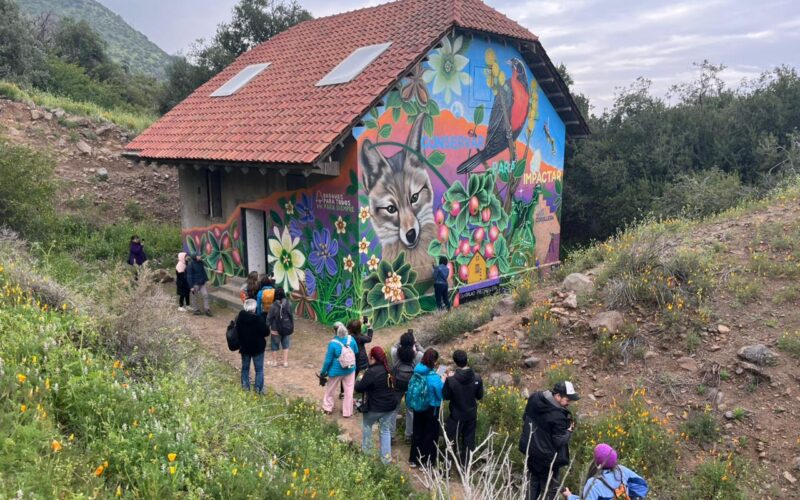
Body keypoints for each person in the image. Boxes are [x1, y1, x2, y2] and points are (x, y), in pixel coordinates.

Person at [520, 380, 580, 500]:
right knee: (549, 491)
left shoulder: (534, 399)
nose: (569, 403)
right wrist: (569, 430)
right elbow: (559, 442)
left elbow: (524, 418)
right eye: (567, 400)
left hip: (530, 453)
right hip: (548, 461)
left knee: (531, 486)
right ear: (558, 396)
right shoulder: (558, 417)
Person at [354, 346, 398, 464]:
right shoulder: (389, 369)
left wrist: (359, 377)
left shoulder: (371, 372)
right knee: (385, 430)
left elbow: (358, 388)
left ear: (373, 358)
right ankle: (386, 459)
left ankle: (366, 453)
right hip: (389, 406)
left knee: (367, 425)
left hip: (375, 407)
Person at [562, 443, 649, 499]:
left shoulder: (593, 483)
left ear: (596, 462)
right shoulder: (622, 470)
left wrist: (570, 496)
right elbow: (642, 487)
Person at [442, 350, 484, 465]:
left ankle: (447, 469)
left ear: (455, 362)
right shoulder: (477, 378)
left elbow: (445, 396)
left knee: (450, 441)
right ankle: (466, 469)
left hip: (456, 415)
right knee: (469, 441)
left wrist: (447, 379)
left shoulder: (452, 380)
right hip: (471, 415)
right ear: (467, 360)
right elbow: (479, 396)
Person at [408, 348, 444, 468]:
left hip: (418, 406)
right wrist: (443, 381)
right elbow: (440, 395)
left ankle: (414, 459)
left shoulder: (417, 370)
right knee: (430, 434)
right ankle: (427, 462)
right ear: (434, 361)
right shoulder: (433, 377)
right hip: (431, 408)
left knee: (417, 431)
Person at [390, 330, 424, 443]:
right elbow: (423, 352)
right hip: (411, 385)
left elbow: (393, 347)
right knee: (410, 410)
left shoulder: (395, 354)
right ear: (412, 343)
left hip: (398, 383)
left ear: (401, 342)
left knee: (394, 409)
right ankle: (408, 436)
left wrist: (400, 339)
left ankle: (391, 435)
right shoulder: (417, 356)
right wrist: (416, 342)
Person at [319, 322, 359, 417]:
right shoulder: (351, 339)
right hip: (350, 369)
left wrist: (323, 372)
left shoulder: (333, 343)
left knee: (330, 389)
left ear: (335, 331)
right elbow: (356, 351)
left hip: (336, 370)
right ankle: (347, 412)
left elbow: (328, 361)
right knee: (349, 391)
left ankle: (327, 408)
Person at [237, 299, 269, 393]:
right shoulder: (258, 319)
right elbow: (266, 332)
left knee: (245, 368)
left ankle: (245, 388)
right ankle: (258, 389)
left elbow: (238, 332)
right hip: (257, 348)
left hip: (245, 347)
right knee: (259, 370)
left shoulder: (240, 318)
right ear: (254, 308)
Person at [343, 319, 373, 400]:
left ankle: (343, 392)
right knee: (359, 378)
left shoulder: (347, 337)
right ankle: (356, 391)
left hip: (351, 363)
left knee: (347, 377)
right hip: (362, 363)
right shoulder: (360, 337)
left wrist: (356, 324)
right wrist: (369, 326)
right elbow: (369, 338)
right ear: (359, 329)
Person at [266, 287, 293, 367]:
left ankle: (274, 362)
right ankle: (285, 362)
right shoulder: (289, 304)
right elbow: (291, 315)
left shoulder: (273, 306)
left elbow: (269, 318)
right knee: (286, 345)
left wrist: (267, 327)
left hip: (275, 330)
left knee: (274, 346)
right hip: (286, 328)